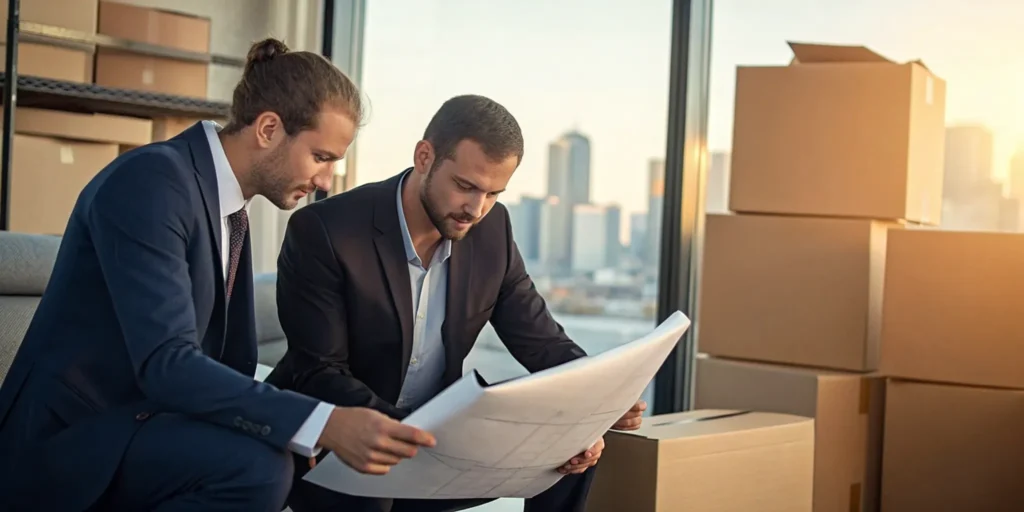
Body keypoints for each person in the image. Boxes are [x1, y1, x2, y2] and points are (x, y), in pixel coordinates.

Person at [0, 38, 435, 512]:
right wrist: (319, 422)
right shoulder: (152, 182)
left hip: (144, 426)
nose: (325, 182)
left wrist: (310, 431)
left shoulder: (229, 212)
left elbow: (228, 367)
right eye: (321, 157)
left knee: (320, 467)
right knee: (258, 469)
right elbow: (168, 363)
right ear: (269, 128)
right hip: (69, 444)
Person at [265, 94, 647, 512]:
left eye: (493, 193)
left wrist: (598, 402)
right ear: (424, 156)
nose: (475, 209)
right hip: (346, 436)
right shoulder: (325, 231)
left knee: (570, 452)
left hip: (440, 441)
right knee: (374, 484)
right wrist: (420, 437)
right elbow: (320, 371)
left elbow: (541, 340)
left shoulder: (491, 229)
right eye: (465, 186)